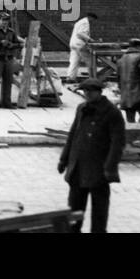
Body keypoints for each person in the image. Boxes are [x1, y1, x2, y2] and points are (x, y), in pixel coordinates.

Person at [57, 77, 125, 233]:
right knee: (75, 209)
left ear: (99, 92)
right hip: (78, 167)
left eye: (91, 91)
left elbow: (118, 143)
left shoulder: (111, 112)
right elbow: (73, 135)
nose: (87, 94)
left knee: (99, 211)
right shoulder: (82, 108)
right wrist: (64, 159)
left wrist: (110, 167)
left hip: (98, 168)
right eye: (85, 91)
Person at [117, 37, 140, 122]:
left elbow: (119, 78)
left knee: (130, 120)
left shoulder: (121, 59)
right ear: (138, 47)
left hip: (126, 95)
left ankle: (132, 130)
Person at [65, 13, 98, 80]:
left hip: (73, 43)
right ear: (91, 18)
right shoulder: (85, 23)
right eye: (93, 20)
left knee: (74, 61)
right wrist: (90, 39)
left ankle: (70, 78)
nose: (93, 22)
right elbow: (80, 33)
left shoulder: (79, 22)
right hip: (79, 45)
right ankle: (93, 78)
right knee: (90, 61)